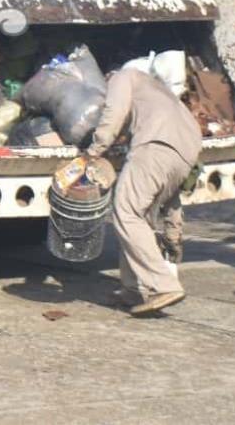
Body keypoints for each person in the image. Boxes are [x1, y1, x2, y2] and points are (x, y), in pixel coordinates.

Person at [87, 68, 202, 316]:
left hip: (155, 146)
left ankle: (164, 285)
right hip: (185, 154)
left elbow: (114, 112)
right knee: (139, 219)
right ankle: (133, 288)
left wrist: (96, 148)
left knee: (125, 212)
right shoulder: (160, 89)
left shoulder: (123, 76)